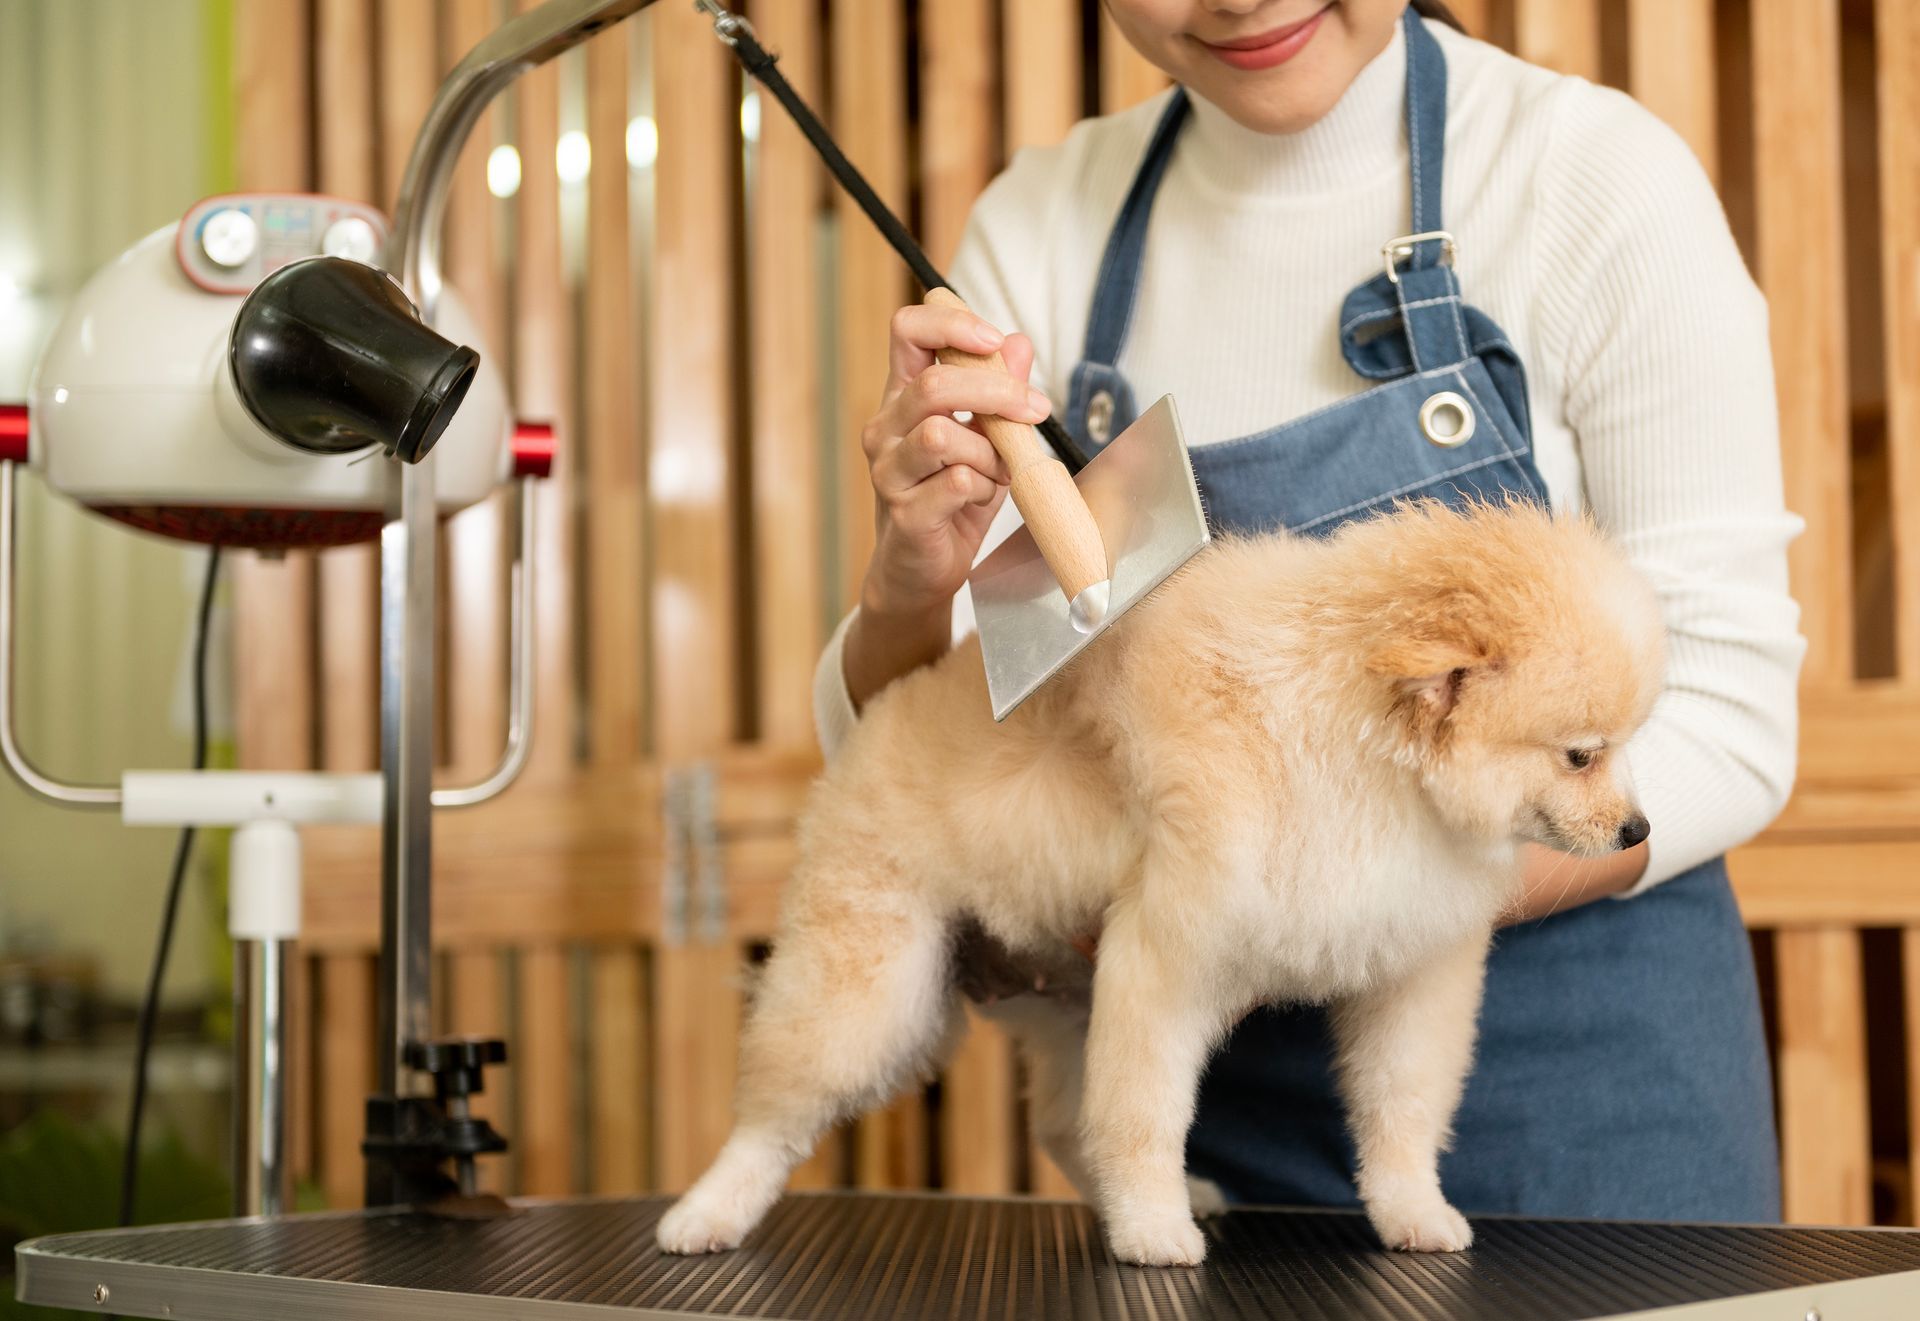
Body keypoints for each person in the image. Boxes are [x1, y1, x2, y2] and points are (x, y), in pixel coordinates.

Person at [812, 0, 1804, 1222]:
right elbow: (966, 733)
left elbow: (1734, 717)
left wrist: (1348, 898)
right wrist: (909, 584)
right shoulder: (1043, 230)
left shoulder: (1590, 180)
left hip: (1596, 1116)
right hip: (1199, 1136)